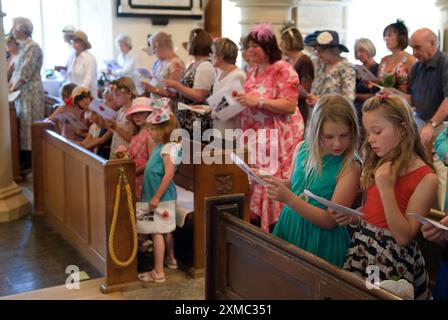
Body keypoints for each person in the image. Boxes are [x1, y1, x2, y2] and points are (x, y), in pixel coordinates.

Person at [335, 93, 437, 300]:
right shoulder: (381, 161)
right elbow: (374, 212)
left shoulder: (427, 179)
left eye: (377, 131)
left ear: (403, 129)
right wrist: (355, 216)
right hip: (363, 249)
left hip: (392, 259)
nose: (370, 139)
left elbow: (403, 236)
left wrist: (387, 189)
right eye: (368, 132)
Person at [265, 95, 361, 267]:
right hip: (290, 225)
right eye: (329, 137)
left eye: (344, 135)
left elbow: (330, 221)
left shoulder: (350, 166)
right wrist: (273, 182)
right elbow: (295, 185)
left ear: (353, 131)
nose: (337, 143)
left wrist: (288, 198)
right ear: (316, 132)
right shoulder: (302, 148)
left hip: (321, 238)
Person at [235, 23, 304, 232]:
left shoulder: (283, 69)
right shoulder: (252, 70)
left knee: (271, 182)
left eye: (255, 45)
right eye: (248, 46)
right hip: (255, 136)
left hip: (278, 137)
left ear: (268, 46)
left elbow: (290, 105)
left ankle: (278, 230)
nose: (250, 50)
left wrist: (260, 102)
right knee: (254, 179)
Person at [137, 106, 182, 283]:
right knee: (166, 230)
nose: (150, 132)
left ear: (165, 130)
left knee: (157, 232)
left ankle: (158, 272)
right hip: (156, 196)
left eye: (153, 129)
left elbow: (169, 174)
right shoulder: (162, 146)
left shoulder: (168, 148)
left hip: (160, 198)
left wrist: (156, 197)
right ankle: (170, 259)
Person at [9, 17, 45, 172]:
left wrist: (12, 89)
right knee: (22, 124)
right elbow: (15, 70)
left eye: (13, 27)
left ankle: (30, 161)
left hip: (31, 92)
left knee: (29, 125)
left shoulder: (33, 47)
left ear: (21, 30)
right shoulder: (21, 47)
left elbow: (25, 72)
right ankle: (23, 160)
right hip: (21, 93)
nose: (11, 30)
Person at [165, 28, 215, 137]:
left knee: (194, 152)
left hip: (196, 120)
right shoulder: (194, 64)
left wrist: (176, 85)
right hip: (185, 118)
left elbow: (199, 95)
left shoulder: (205, 66)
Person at [409, 28, 448, 142]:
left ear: (433, 44)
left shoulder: (445, 63)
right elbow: (413, 99)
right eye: (412, 48)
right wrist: (393, 93)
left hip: (442, 126)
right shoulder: (416, 67)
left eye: (417, 47)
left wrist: (432, 124)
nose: (414, 53)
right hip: (423, 124)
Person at [305, 30, 356, 107]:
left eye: (321, 49)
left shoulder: (346, 68)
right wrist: (311, 98)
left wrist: (321, 102)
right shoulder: (322, 66)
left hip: (335, 116)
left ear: (332, 50)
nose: (317, 53)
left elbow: (348, 99)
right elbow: (315, 90)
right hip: (318, 115)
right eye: (316, 49)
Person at [279, 23, 314, 129]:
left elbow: (306, 89)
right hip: (284, 104)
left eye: (283, 41)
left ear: (290, 42)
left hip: (299, 107)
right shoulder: (286, 60)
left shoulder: (304, 60)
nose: (280, 45)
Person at [210, 37, 246, 135]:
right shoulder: (220, 72)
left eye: (213, 53)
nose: (211, 56)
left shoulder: (238, 75)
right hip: (218, 128)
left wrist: (212, 113)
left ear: (220, 56)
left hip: (230, 131)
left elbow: (232, 106)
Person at [123, 97, 156, 200]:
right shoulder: (136, 134)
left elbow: (152, 161)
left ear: (149, 114)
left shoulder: (150, 135)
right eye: (134, 114)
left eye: (141, 113)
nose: (137, 117)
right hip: (133, 175)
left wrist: (135, 171)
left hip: (143, 176)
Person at [142, 32, 185, 101]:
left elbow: (173, 93)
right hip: (155, 102)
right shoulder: (158, 62)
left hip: (168, 107)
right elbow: (157, 81)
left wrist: (152, 89)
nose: (154, 54)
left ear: (160, 47)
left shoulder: (176, 64)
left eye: (154, 51)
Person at [377, 20, 416, 94]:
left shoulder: (410, 60)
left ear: (401, 37)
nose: (386, 39)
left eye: (389, 35)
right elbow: (379, 85)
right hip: (382, 100)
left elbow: (415, 89)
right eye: (385, 36)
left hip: (401, 102)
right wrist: (371, 83)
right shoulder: (384, 60)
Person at [106, 77, 137, 158]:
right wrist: (111, 127)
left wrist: (116, 128)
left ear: (129, 94)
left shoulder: (134, 112)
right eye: (113, 95)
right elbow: (118, 133)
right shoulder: (121, 111)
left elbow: (133, 139)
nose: (114, 98)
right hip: (116, 149)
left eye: (118, 95)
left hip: (126, 153)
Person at [65, 30, 98, 98]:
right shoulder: (71, 56)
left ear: (83, 44)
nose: (73, 44)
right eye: (73, 41)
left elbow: (87, 82)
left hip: (86, 97)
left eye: (76, 41)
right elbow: (69, 77)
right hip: (72, 96)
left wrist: (76, 94)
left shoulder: (89, 59)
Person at [353, 38, 379, 121]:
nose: (359, 54)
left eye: (362, 50)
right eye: (356, 52)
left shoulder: (378, 68)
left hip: (369, 111)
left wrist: (355, 96)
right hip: (355, 110)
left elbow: (376, 95)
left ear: (369, 49)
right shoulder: (357, 69)